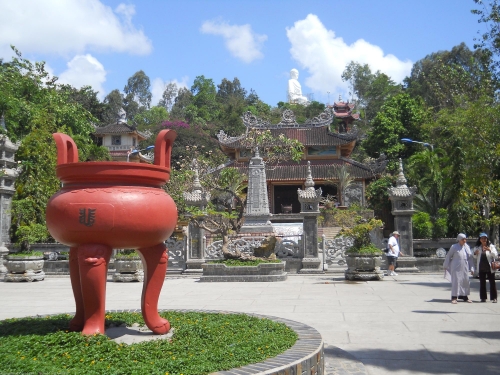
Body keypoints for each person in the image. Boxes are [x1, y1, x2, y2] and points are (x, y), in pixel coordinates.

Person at [443, 233, 474, 304]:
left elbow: (470, 258)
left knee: (465, 281)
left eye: (465, 239)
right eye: (463, 239)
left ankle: (465, 297)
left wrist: (472, 268)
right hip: (456, 267)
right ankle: (454, 297)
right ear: (459, 240)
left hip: (465, 267)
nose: (464, 240)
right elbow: (448, 256)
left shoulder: (467, 247)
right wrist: (445, 265)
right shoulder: (454, 247)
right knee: (456, 281)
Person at [473, 232, 498, 303]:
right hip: (481, 267)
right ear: (480, 240)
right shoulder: (477, 247)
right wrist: (475, 253)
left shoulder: (491, 246)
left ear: (487, 239)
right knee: (482, 283)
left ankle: (494, 298)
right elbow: (474, 256)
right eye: (482, 238)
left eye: (485, 238)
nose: (484, 239)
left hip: (490, 267)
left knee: (492, 283)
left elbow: (495, 255)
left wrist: (489, 250)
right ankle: (483, 298)